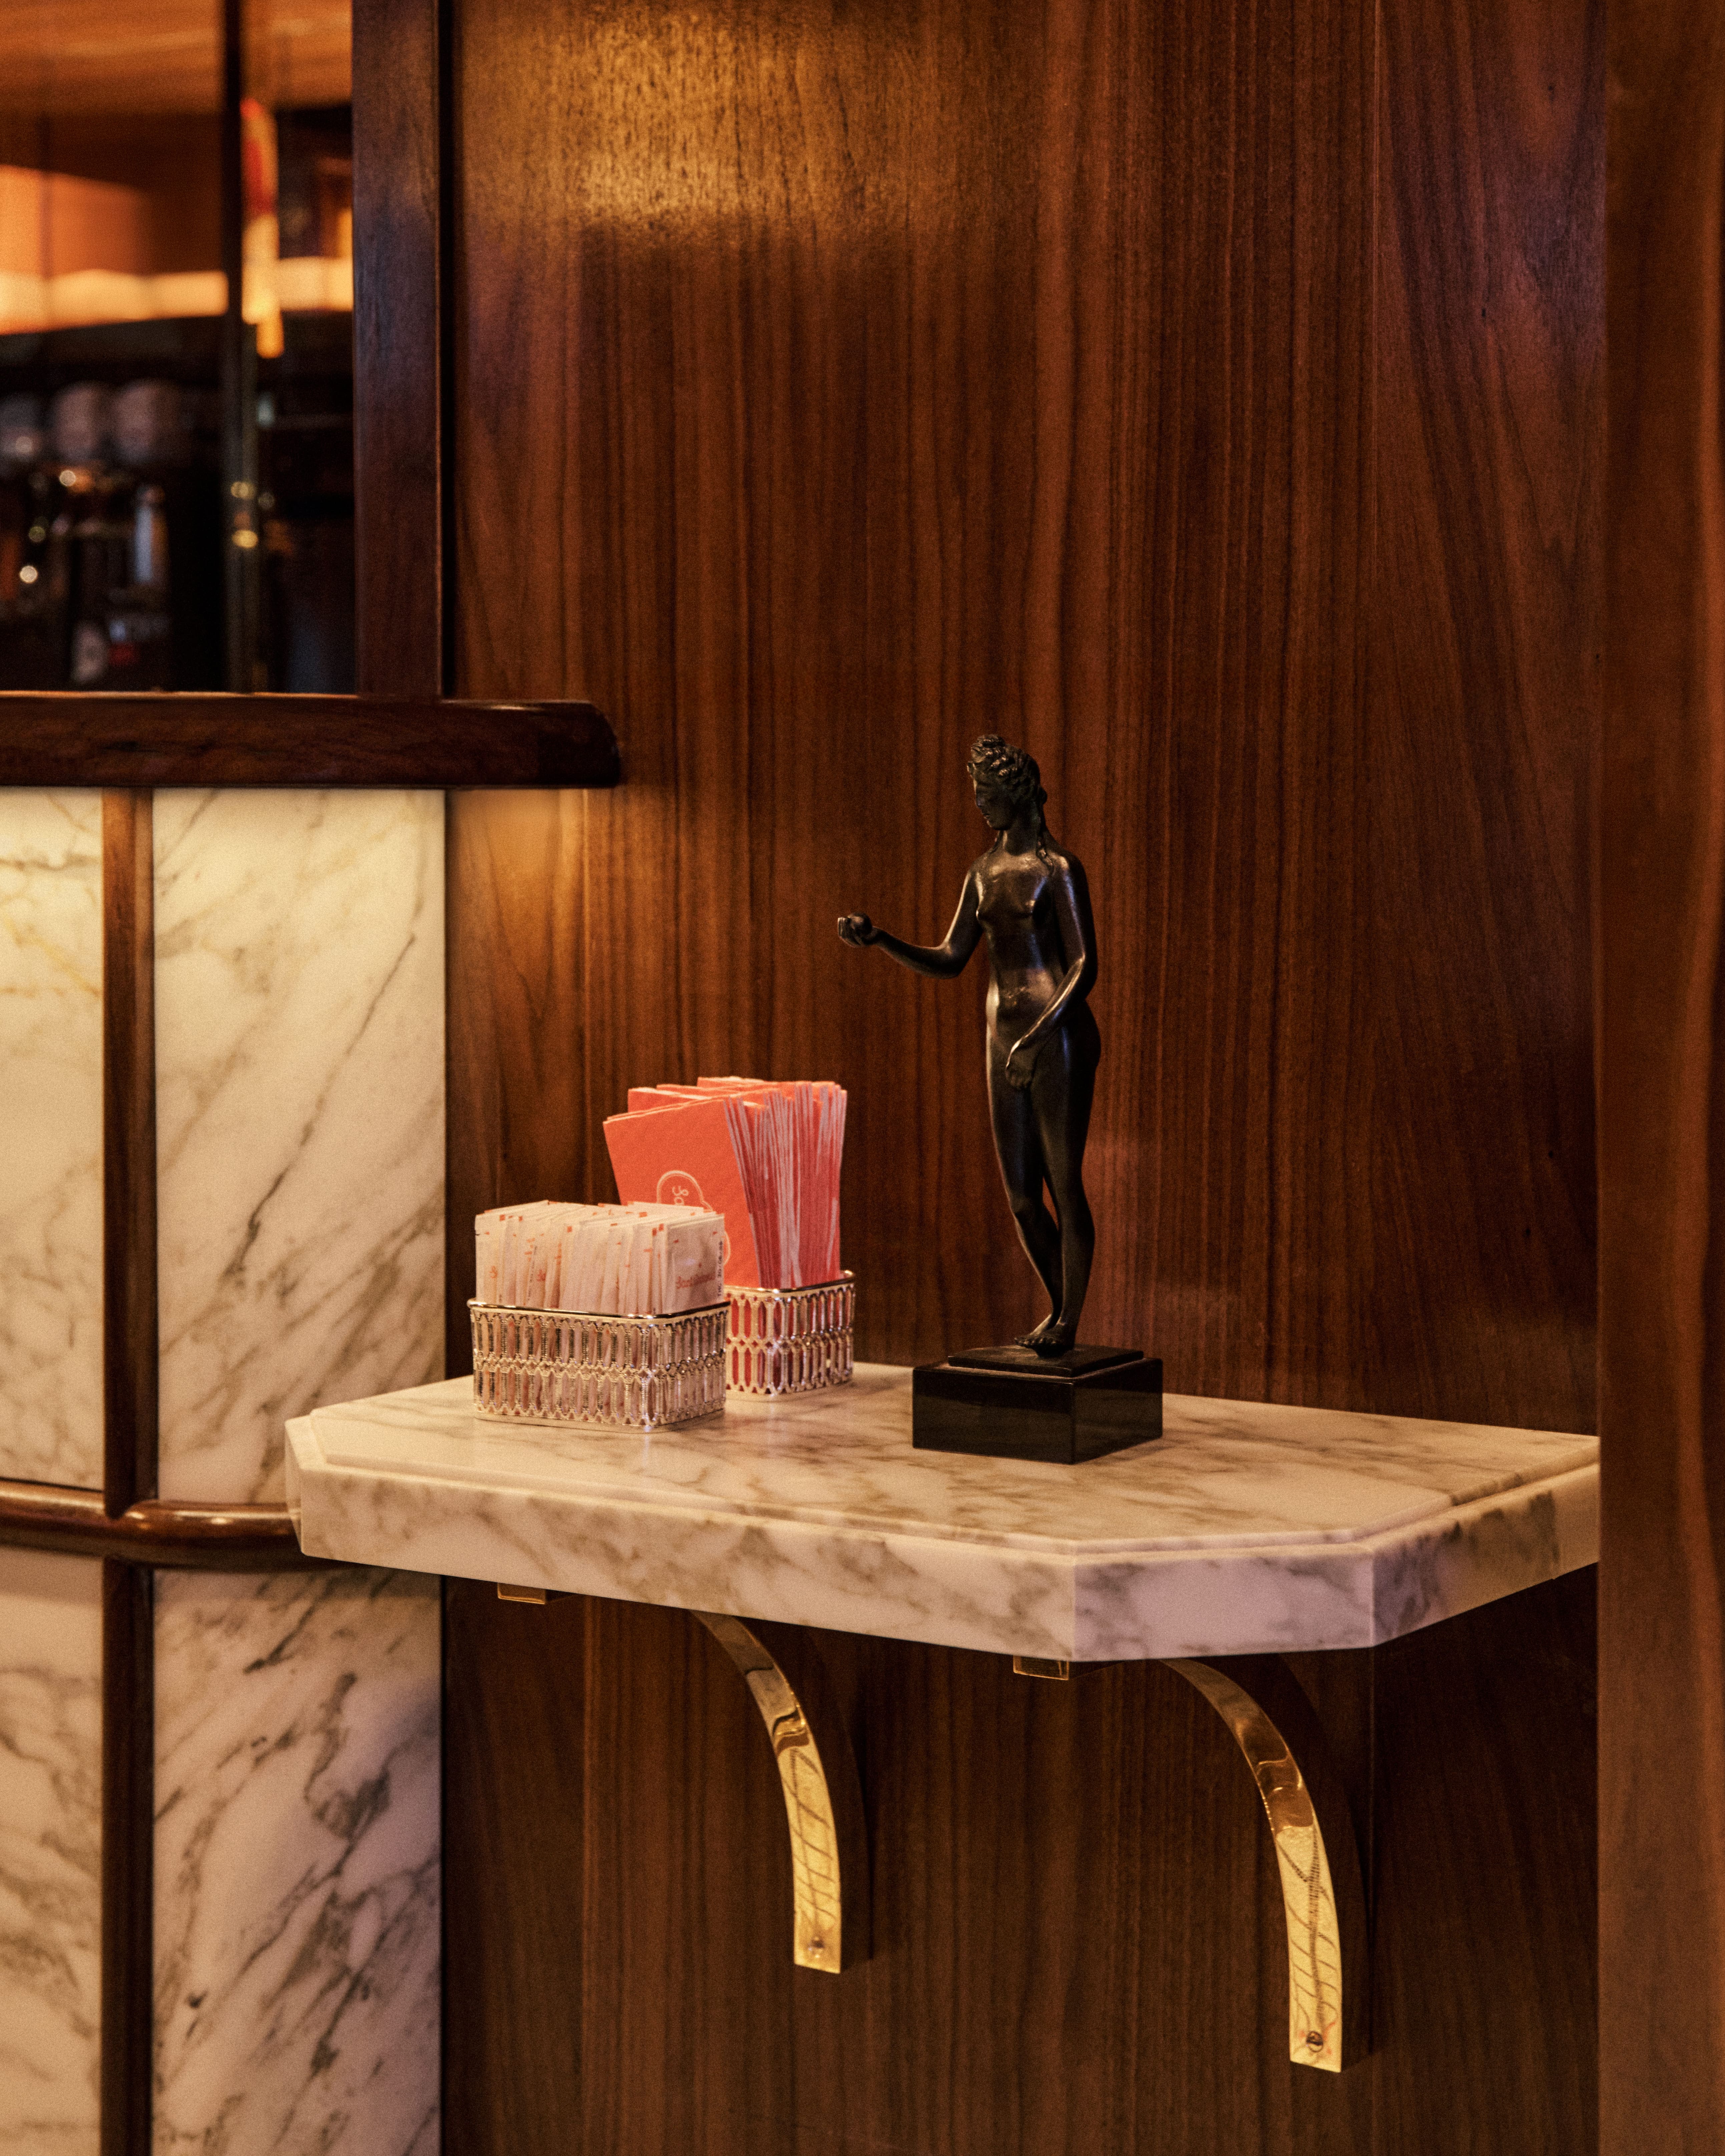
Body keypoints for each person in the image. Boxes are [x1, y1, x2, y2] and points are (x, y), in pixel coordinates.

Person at [839, 734, 1100, 1354]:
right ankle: (1059, 1311)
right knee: (1022, 1197)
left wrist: (1037, 1039)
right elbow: (951, 958)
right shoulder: (982, 874)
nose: (980, 804)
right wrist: (882, 940)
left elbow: (1084, 965)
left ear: (1016, 794)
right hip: (1001, 1036)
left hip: (1056, 1035)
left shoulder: (1058, 870)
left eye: (987, 794)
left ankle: (1068, 1322)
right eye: (977, 794)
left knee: (1064, 1184)